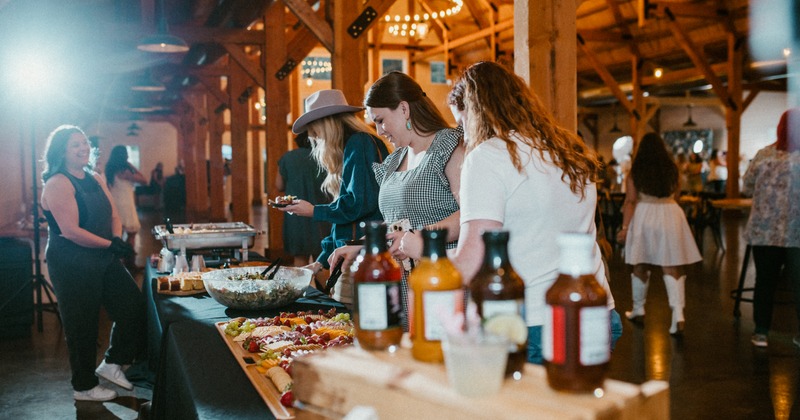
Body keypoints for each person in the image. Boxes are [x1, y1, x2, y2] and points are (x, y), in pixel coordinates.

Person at [446, 61, 621, 364]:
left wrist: (424, 262)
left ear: (475, 112)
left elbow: (473, 260)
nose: (464, 135)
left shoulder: (488, 156)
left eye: (462, 124)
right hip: (596, 311)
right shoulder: (569, 151)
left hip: (534, 320)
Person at [328, 71, 465, 328]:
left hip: (438, 277)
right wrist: (365, 247)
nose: (379, 131)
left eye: (381, 120)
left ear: (403, 109)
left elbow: (466, 214)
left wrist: (417, 238)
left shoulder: (450, 145)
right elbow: (397, 224)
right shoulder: (394, 160)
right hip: (399, 282)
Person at [39, 125, 145, 401]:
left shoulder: (94, 177)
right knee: (82, 324)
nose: (83, 148)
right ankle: (83, 387)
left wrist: (116, 236)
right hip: (72, 261)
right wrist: (111, 244)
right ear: (61, 151)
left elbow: (113, 212)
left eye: (84, 143)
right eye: (75, 145)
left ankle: (112, 363)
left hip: (102, 256)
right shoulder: (57, 183)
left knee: (132, 305)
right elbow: (71, 231)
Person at [277, 89, 388, 275]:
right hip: (351, 253)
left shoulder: (359, 143)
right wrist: (319, 262)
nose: (314, 138)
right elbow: (343, 220)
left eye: (315, 131)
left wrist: (313, 210)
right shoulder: (353, 145)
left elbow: (359, 204)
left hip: (361, 255)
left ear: (326, 124)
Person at [617, 132, 702, 335]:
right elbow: (678, 194)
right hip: (671, 212)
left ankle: (638, 309)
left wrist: (625, 228)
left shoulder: (636, 171)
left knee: (640, 262)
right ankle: (678, 313)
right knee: (672, 264)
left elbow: (630, 201)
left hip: (645, 213)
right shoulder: (672, 169)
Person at [742, 108, 800, 348]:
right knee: (798, 284)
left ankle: (761, 331)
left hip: (763, 232)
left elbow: (746, 187)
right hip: (796, 233)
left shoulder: (763, 155)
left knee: (765, 282)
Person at [275, 132, 331, 266]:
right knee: (322, 260)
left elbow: (279, 185)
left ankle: (302, 287)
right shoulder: (324, 157)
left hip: (296, 214)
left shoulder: (288, 158)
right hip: (322, 212)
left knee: (300, 257)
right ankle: (325, 287)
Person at [104, 145, 147, 272]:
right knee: (131, 234)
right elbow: (144, 180)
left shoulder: (110, 169)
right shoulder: (125, 172)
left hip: (115, 203)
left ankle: (118, 264)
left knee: (118, 234)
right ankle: (130, 263)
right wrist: (131, 165)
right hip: (125, 204)